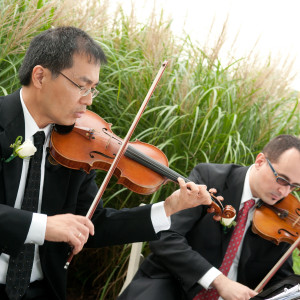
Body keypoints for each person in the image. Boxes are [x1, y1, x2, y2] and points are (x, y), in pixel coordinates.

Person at [0, 26, 213, 300]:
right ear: (40, 76)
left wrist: (169, 208)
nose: (88, 100)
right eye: (81, 86)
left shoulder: (75, 144)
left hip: (42, 291)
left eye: (93, 89)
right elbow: (51, 226)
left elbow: (93, 223)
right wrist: (43, 226)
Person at [118, 134, 300, 300]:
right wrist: (219, 281)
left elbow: (281, 278)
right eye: (281, 179)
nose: (284, 191)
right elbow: (165, 237)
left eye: (294, 186)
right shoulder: (210, 178)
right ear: (260, 161)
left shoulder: (285, 216)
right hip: (174, 287)